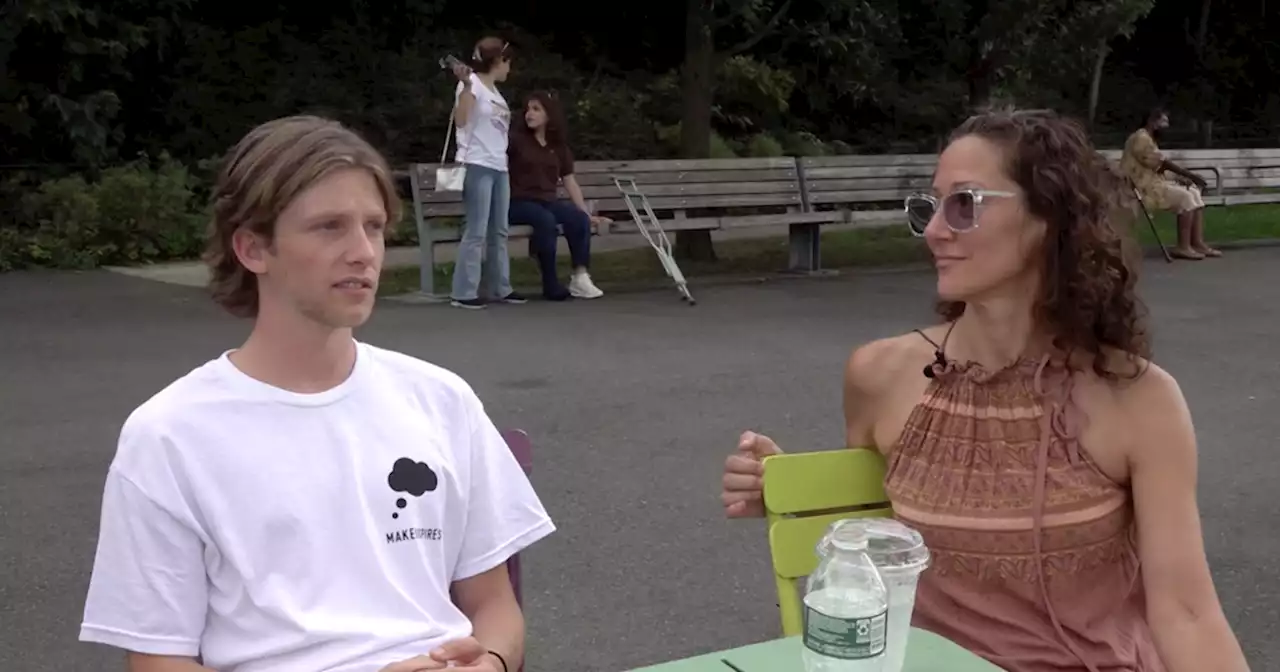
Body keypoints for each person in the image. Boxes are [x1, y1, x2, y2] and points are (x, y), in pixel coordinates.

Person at [720, 110, 1249, 672]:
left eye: (965, 204)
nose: (934, 230)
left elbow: (1188, 614)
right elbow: (878, 546)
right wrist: (783, 489)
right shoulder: (880, 375)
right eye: (931, 205)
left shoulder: (1138, 398)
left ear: (1048, 217)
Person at [79, 115, 555, 672]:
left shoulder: (441, 400)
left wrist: (490, 664)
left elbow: (494, 606)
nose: (363, 252)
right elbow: (160, 663)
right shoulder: (170, 436)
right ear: (254, 249)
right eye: (329, 227)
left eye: (373, 226)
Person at [508, 91, 609, 300]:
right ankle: (550, 284)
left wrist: (586, 213)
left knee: (577, 217)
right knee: (546, 221)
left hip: (547, 201)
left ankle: (580, 277)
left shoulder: (558, 147)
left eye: (536, 109)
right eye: (527, 109)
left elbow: (569, 180)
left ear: (549, 114)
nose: (529, 113)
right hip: (518, 202)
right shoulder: (515, 141)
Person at [449, 36, 525, 309]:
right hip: (477, 162)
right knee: (477, 229)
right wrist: (468, 86)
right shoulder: (472, 85)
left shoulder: (497, 94)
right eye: (508, 63)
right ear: (498, 61)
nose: (509, 69)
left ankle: (500, 287)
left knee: (499, 231)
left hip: (498, 166)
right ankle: (464, 292)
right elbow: (461, 120)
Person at [1120, 109, 1218, 260]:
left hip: (1154, 185)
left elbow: (1157, 168)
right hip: (1140, 190)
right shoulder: (1141, 138)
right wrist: (1189, 175)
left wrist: (1180, 179)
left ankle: (1197, 242)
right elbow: (1162, 163)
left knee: (1193, 192)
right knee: (1185, 197)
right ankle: (1183, 247)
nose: (1167, 126)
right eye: (1164, 122)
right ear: (1152, 121)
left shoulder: (1148, 139)